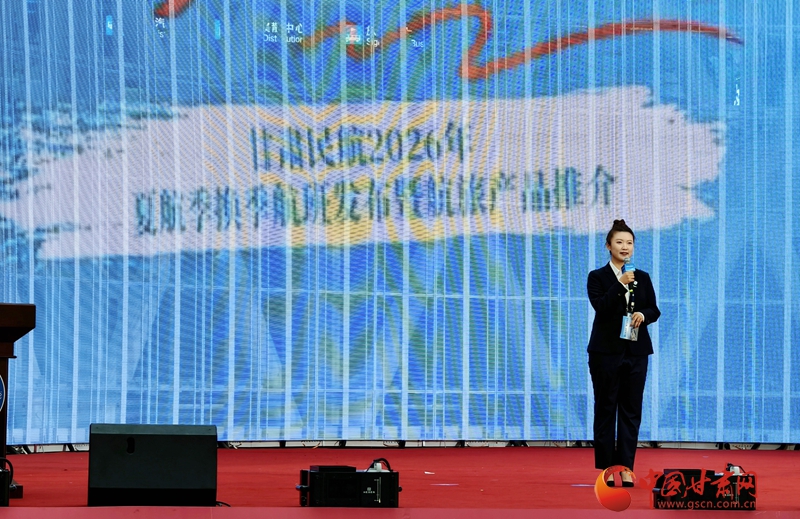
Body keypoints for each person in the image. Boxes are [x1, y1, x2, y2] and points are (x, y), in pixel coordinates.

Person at [587, 219, 660, 487]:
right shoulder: (597, 277)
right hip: (605, 352)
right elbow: (601, 306)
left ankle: (626, 467)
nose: (625, 247)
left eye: (629, 243)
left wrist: (643, 315)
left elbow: (654, 309)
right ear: (608, 246)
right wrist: (620, 283)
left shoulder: (643, 277)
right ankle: (608, 468)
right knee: (606, 408)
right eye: (619, 242)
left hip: (636, 351)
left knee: (631, 410)